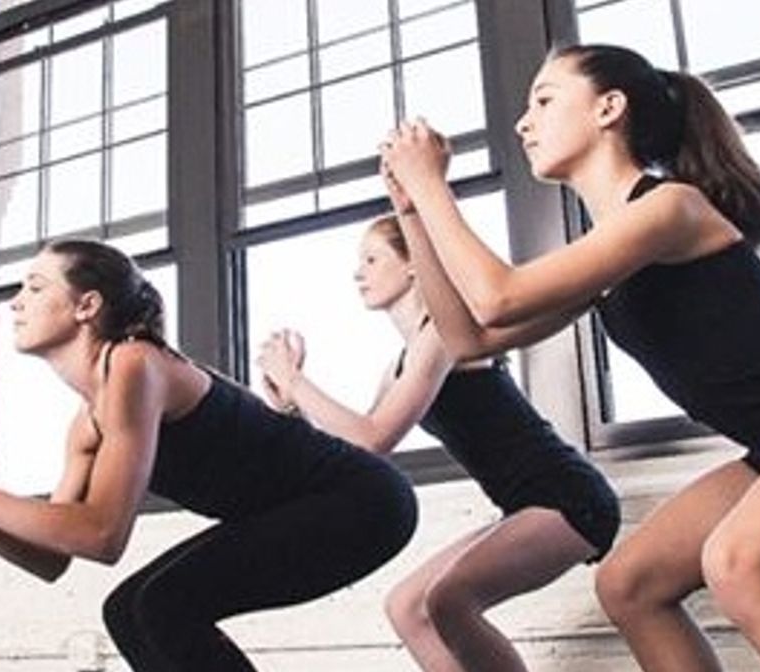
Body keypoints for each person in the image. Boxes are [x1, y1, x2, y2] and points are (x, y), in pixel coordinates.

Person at [378, 43, 760, 672]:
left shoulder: (669, 207)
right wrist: (413, 213)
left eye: (543, 101)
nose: (523, 122)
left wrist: (432, 184)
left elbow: (498, 298)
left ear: (609, 108)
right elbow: (471, 339)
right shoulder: (610, 253)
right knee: (630, 583)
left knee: (739, 562)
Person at [0, 238, 417, 672]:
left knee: (163, 606)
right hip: (292, 510)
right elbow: (50, 558)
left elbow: (101, 534)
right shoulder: (86, 423)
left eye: (36, 286)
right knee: (128, 611)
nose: (16, 301)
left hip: (360, 500)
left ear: (86, 305)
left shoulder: (135, 364)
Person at [255, 211, 619, 672]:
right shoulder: (402, 363)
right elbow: (358, 447)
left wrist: (296, 380)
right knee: (408, 608)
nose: (357, 272)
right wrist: (290, 403)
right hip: (525, 506)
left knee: (449, 598)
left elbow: (373, 437)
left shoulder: (443, 334)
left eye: (371, 258)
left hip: (569, 498)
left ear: (412, 265)